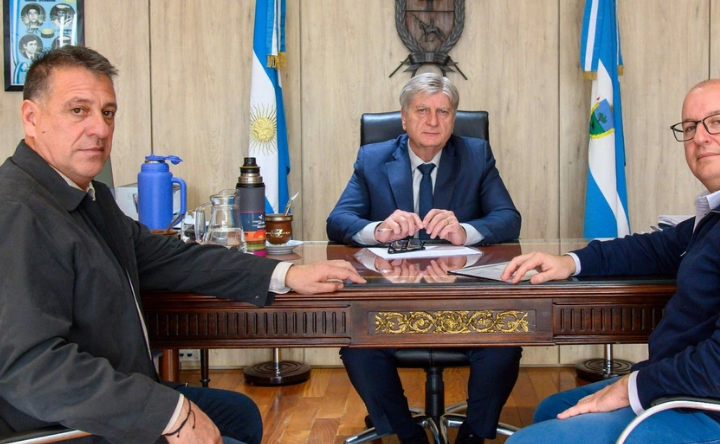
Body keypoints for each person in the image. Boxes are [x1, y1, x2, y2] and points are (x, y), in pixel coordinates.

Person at [0, 45, 365, 444]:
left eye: (108, 112)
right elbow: (30, 368)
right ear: (31, 118)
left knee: (239, 414)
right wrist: (167, 414)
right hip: (68, 424)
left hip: (118, 392)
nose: (101, 129)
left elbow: (168, 257)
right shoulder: (18, 212)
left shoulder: (87, 196)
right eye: (78, 110)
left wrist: (285, 273)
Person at [500, 79, 720, 444]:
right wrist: (570, 262)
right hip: (680, 383)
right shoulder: (711, 217)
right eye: (690, 126)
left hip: (705, 405)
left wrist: (631, 387)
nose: (700, 137)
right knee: (550, 410)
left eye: (716, 122)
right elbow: (652, 249)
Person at [326, 73, 522, 444]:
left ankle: (473, 435)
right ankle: (407, 434)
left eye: (443, 112)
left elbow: (508, 218)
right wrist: (377, 230)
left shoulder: (476, 155)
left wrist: (465, 230)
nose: (433, 121)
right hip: (393, 300)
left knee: (504, 343)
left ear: (453, 118)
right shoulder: (373, 158)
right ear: (403, 118)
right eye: (422, 111)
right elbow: (338, 221)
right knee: (358, 346)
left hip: (462, 300)